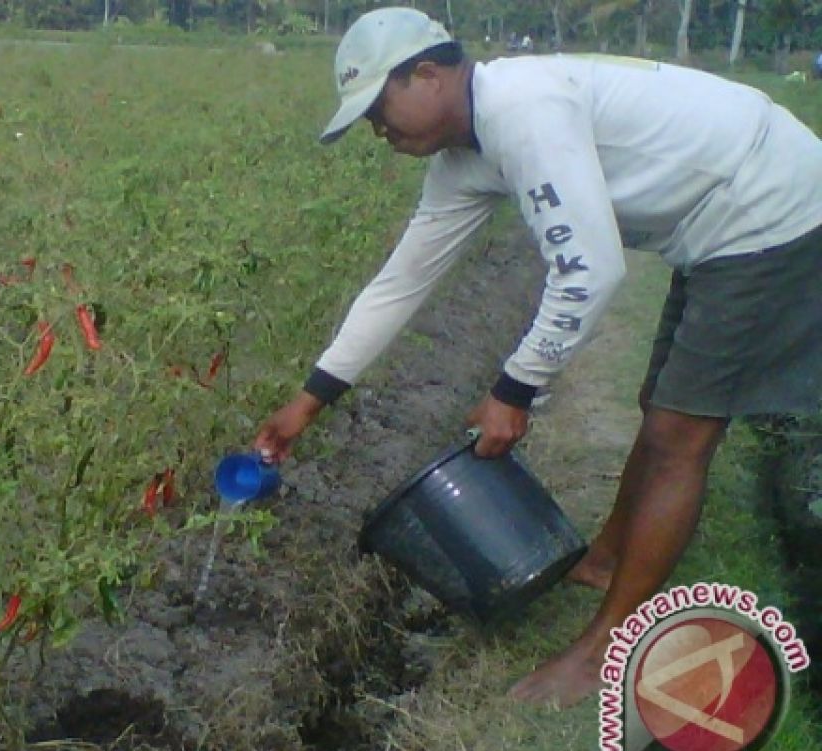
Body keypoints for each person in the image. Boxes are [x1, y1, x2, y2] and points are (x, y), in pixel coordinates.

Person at [254, 7, 822, 708]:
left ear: (428, 75)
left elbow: (590, 270)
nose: (378, 129)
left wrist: (515, 390)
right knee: (661, 407)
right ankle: (607, 558)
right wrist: (308, 403)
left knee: (682, 433)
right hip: (710, 220)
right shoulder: (467, 156)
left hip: (767, 203)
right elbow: (402, 282)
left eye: (379, 107)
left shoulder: (522, 110)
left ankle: (607, 647)